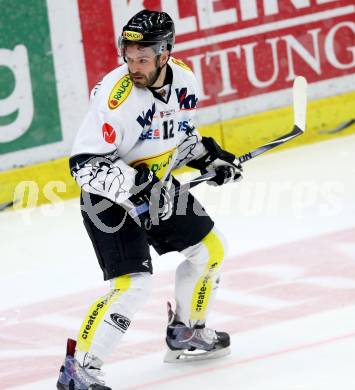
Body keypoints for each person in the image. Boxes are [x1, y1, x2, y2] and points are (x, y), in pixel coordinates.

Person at [57, 9, 243, 390]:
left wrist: (210, 156)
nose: (133, 65)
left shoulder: (185, 80)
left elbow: (175, 137)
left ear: (164, 54)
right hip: (107, 200)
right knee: (133, 285)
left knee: (211, 250)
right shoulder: (117, 96)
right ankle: (79, 369)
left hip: (153, 187)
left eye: (143, 57)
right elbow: (84, 165)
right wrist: (134, 184)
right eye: (128, 55)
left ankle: (187, 332)